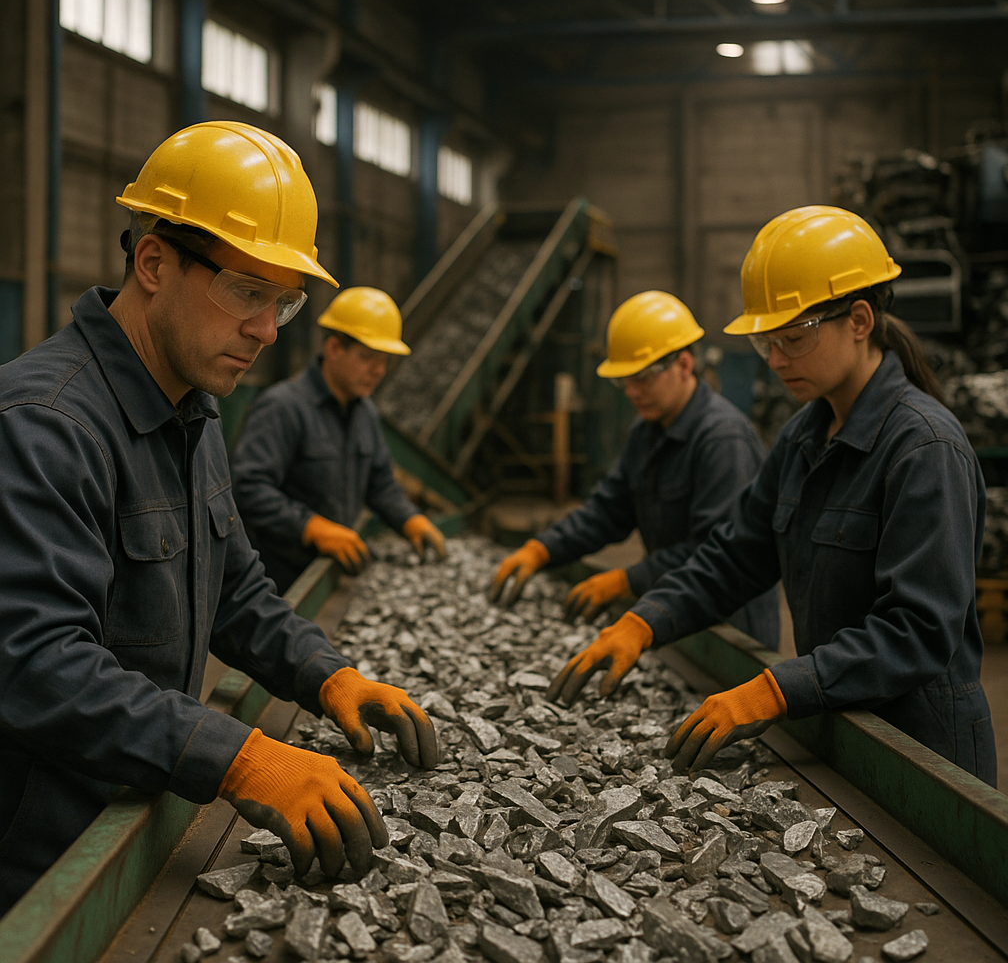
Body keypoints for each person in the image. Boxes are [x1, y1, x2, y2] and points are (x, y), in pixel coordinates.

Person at [0, 121, 438, 914]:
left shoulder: (192, 411)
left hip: (132, 808)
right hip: (36, 860)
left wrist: (325, 673)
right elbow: (33, 663)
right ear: (154, 262)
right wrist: (238, 758)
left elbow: (235, 589)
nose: (267, 331)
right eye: (246, 291)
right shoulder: (44, 424)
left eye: (285, 303)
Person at [546, 205, 997, 787]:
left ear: (859, 320)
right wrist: (644, 621)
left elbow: (918, 631)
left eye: (793, 338)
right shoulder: (805, 435)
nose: (777, 361)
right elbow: (735, 554)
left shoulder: (923, 448)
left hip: (926, 750)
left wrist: (776, 689)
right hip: (845, 724)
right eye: (767, 344)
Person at [488, 290, 779, 649]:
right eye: (624, 380)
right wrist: (542, 549)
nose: (631, 391)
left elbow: (716, 553)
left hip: (730, 629)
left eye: (642, 378)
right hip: (674, 613)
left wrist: (626, 580)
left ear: (684, 365)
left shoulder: (723, 440)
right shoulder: (646, 431)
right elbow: (608, 510)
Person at [231, 286, 446, 594]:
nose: (378, 371)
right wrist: (310, 527)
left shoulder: (365, 413)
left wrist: (411, 520)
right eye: (367, 357)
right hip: (276, 581)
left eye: (384, 361)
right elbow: (247, 488)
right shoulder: (282, 408)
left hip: (329, 573)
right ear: (333, 349)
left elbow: (380, 484)